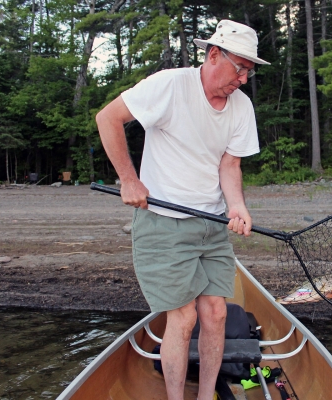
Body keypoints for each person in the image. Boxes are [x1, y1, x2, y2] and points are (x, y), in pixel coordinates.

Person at [95, 20, 269, 400]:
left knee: (217, 315)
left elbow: (229, 165)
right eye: (239, 68)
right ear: (212, 55)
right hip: (164, 223)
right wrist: (128, 179)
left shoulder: (241, 106)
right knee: (184, 316)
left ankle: (205, 396)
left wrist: (237, 207)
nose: (242, 79)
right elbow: (107, 118)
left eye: (248, 72)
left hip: (210, 225)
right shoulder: (170, 85)